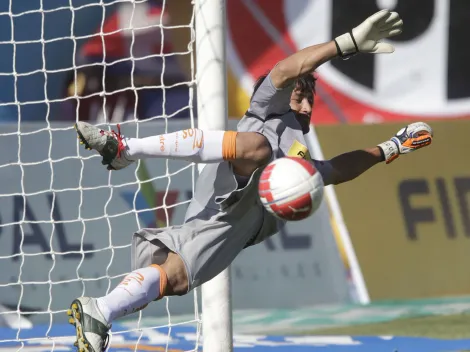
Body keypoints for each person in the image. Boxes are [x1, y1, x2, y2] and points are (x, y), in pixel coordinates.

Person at [67, 9, 432, 352]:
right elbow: (289, 68)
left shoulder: (299, 156)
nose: (306, 106)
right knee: (256, 148)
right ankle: (125, 147)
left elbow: (337, 169)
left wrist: (391, 147)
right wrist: (346, 43)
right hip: (229, 183)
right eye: (300, 96)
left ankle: (100, 311)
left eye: (311, 99)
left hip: (236, 225)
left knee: (174, 277)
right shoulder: (267, 108)